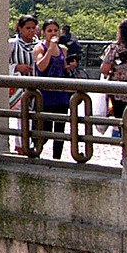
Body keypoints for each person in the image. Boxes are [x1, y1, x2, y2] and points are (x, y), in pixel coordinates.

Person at [34, 18, 72, 157]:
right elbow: (41, 67)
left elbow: (62, 68)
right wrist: (49, 50)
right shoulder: (40, 48)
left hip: (60, 93)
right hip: (45, 94)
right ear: (44, 33)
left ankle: (57, 157)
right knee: (45, 127)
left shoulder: (63, 49)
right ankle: (36, 151)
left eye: (55, 30)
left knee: (60, 128)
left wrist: (69, 67)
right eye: (49, 31)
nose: (53, 33)